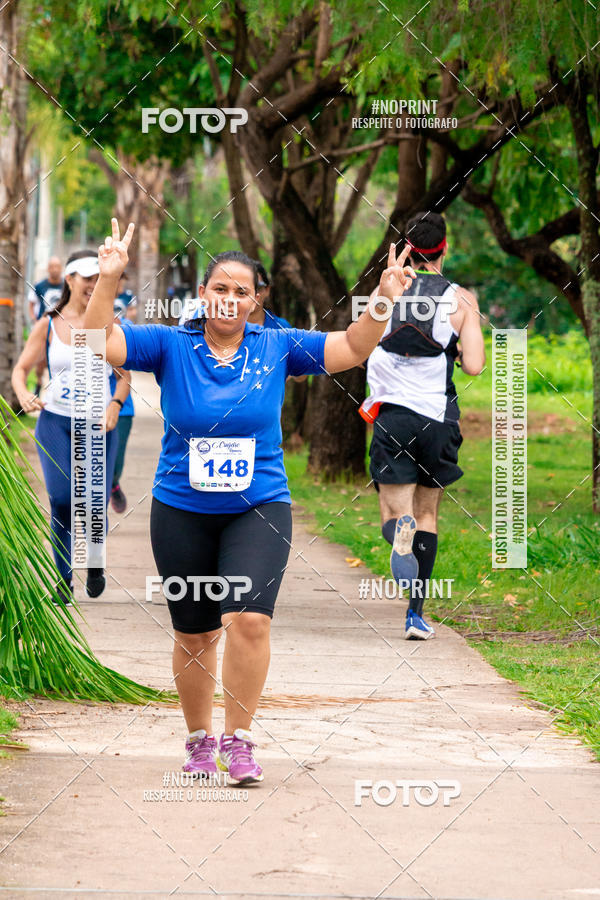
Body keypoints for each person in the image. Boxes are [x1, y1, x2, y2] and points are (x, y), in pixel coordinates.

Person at [85, 218, 416, 785]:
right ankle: (198, 741)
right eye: (220, 288)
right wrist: (109, 277)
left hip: (258, 507)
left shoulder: (277, 345)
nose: (230, 299)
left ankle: (238, 741)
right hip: (181, 509)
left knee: (250, 620)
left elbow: (353, 347)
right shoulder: (171, 344)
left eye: (242, 291)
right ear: (202, 294)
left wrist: (383, 298)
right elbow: (97, 341)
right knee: (195, 633)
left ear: (256, 300)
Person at [361, 211, 485, 640]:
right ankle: (415, 616)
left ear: (407, 248)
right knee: (428, 513)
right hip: (438, 420)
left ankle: (400, 532)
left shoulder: (384, 294)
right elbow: (474, 366)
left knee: (395, 514)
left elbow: (358, 346)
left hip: (393, 418)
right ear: (443, 249)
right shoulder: (462, 300)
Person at [12, 250, 127, 604]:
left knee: (94, 502)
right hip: (55, 422)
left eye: (98, 278)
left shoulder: (109, 325)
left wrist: (115, 404)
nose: (94, 284)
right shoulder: (48, 324)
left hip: (97, 425)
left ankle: (95, 563)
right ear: (69, 279)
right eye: (87, 278)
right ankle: (63, 580)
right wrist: (23, 394)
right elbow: (20, 369)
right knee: (62, 499)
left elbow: (124, 376)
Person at [109, 299, 134, 514]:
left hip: (122, 408)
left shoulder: (121, 328)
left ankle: (113, 484)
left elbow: (125, 374)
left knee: (114, 463)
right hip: (86, 409)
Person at [28, 256, 64, 396]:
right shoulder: (39, 286)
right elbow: (31, 304)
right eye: (52, 266)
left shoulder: (67, 286)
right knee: (40, 359)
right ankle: (38, 384)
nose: (55, 269)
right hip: (44, 328)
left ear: (61, 268)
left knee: (57, 359)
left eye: (57, 266)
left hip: (60, 329)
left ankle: (55, 389)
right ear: (48, 269)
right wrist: (34, 320)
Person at [247, 262, 291, 329]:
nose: (253, 294)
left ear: (267, 290)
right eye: (244, 289)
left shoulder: (282, 327)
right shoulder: (229, 326)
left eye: (258, 288)